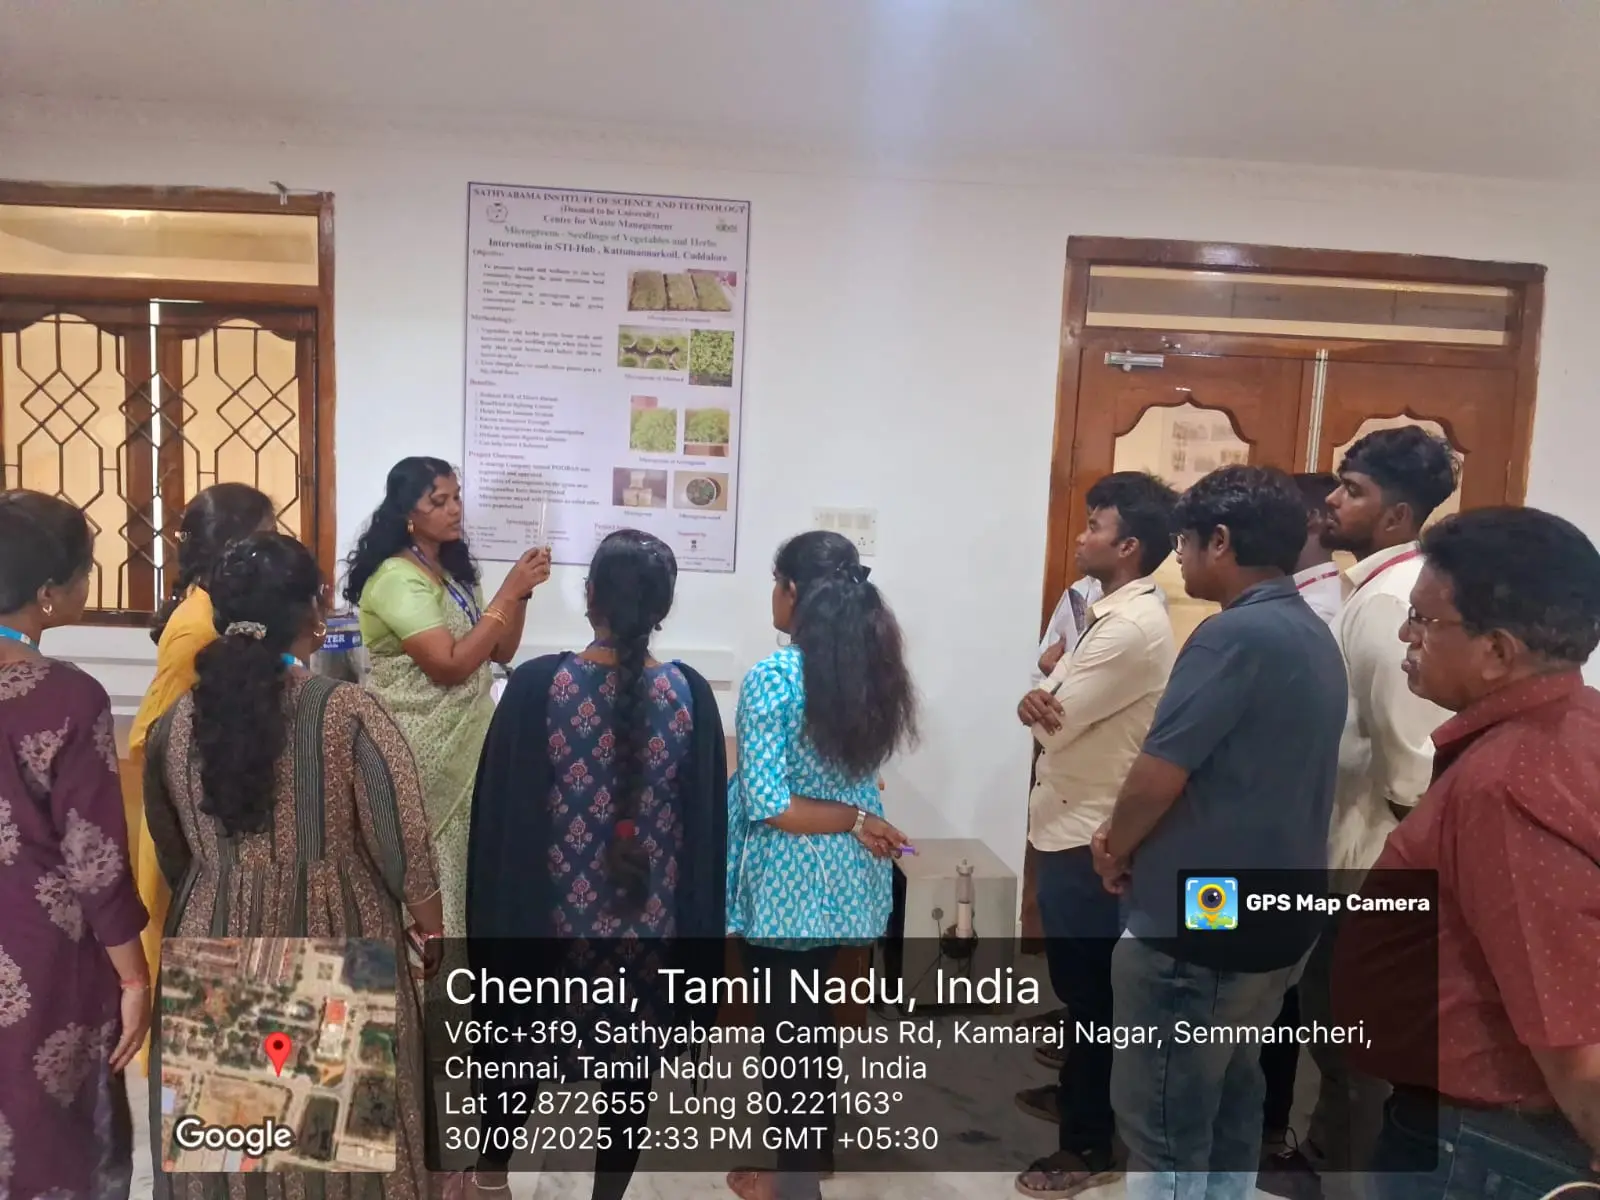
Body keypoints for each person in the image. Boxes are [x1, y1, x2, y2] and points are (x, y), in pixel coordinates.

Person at [143, 532, 444, 1200]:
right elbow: (403, 840)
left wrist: (220, 885)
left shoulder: (178, 722)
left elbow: (172, 848)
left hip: (215, 930)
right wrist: (431, 926)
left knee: (232, 1148)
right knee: (342, 1144)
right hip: (338, 934)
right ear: (313, 611)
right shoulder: (346, 712)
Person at [1092, 465, 1347, 1200]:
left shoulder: (1232, 636)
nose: (1177, 557)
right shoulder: (1311, 631)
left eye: (1184, 541)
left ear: (1222, 540)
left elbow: (1158, 775)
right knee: (1235, 1098)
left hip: (1203, 922)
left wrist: (1115, 845)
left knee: (1164, 1121)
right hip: (1280, 911)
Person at [1332, 507, 1600, 1196]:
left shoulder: (1509, 783)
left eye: (1423, 620)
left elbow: (1568, 1031)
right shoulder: (1574, 720)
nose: (1406, 635)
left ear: (1497, 653)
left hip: (1483, 1143)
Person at [464, 529, 729, 1199]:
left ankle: (490, 1176)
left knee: (518, 1050)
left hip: (546, 929)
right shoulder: (690, 696)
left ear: (589, 598)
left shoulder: (536, 687)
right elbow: (705, 835)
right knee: (630, 1072)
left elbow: (495, 822)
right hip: (649, 934)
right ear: (663, 607)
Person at [726, 530, 918, 1200]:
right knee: (812, 1024)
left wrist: (856, 819)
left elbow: (769, 802)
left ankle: (794, 1181)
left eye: (775, 583)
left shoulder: (776, 676)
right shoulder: (872, 668)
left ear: (792, 591)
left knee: (788, 1033)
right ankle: (810, 1159)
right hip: (846, 875)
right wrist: (859, 819)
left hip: (790, 876)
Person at [1012, 472, 1179, 1199]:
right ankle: (1085, 1113)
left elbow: (1053, 717)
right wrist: (1043, 691)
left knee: (1096, 1001)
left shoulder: (1131, 627)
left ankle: (1089, 1143)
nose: (1081, 537)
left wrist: (1044, 691)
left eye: (1095, 526)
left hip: (1094, 835)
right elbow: (1043, 692)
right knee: (1083, 992)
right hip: (1070, 824)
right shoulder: (1102, 613)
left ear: (1130, 545)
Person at [1306, 427, 1458, 1193]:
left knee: (1352, 1047)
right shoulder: (1374, 586)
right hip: (1350, 847)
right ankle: (1325, 1160)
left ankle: (1348, 1182)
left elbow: (1410, 764)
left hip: (1372, 864)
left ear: (1397, 515)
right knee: (1333, 1036)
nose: (1333, 501)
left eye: (1353, 490)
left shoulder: (1396, 600)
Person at [0, 491, 151, 1198]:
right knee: (43, 1141)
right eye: (86, 569)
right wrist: (134, 979)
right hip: (39, 955)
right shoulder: (67, 696)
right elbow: (93, 861)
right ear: (48, 591)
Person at [345, 457, 550, 937]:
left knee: (462, 864)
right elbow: (450, 664)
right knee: (426, 862)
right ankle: (423, 969)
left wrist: (519, 595)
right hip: (417, 745)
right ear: (407, 513)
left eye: (457, 497)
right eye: (439, 501)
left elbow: (499, 649)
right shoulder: (397, 577)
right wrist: (507, 592)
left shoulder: (454, 571)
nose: (455, 509)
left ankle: (457, 970)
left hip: (468, 742)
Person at [124, 482, 276, 1069]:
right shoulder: (199, 628)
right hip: (188, 816)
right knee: (188, 950)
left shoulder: (220, 611)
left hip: (209, 804)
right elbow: (160, 739)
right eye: (268, 536)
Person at [1258, 471, 1347, 1198]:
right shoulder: (1289, 604)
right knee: (1272, 995)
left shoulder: (1327, 608)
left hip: (1292, 828)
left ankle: (1269, 1130)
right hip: (1284, 824)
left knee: (1280, 999)